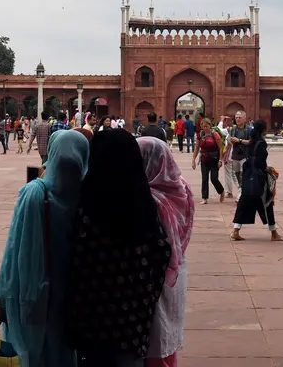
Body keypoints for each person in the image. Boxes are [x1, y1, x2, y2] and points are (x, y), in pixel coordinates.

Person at [66, 129, 171, 367]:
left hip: (91, 321)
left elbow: (75, 261)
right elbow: (162, 253)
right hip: (131, 321)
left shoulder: (87, 203)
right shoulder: (144, 202)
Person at [0, 130, 89, 367]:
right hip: (71, 294)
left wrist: (4, 296)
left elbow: (15, 249)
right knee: (63, 351)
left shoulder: (34, 192)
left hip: (34, 292)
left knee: (33, 353)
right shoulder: (89, 197)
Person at [137, 137, 195, 367]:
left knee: (154, 331)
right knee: (167, 328)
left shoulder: (147, 198)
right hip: (176, 266)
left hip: (153, 273)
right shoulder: (181, 186)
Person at [230, 120, 283, 242]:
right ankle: (274, 233)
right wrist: (267, 169)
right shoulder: (261, 143)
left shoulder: (251, 142)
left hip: (248, 175)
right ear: (263, 130)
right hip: (257, 177)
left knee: (244, 202)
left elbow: (251, 159)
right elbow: (259, 161)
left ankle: (236, 230)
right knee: (267, 202)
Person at [192, 118, 225, 204]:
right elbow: (196, 147)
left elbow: (221, 147)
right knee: (204, 179)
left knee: (214, 178)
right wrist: (193, 160)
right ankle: (205, 198)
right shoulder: (201, 134)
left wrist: (220, 160)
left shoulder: (215, 134)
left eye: (206, 126)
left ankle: (221, 191)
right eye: (203, 126)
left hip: (214, 159)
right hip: (204, 159)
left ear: (210, 125)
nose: (205, 128)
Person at [227, 111, 251, 202]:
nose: (237, 119)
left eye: (240, 117)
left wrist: (239, 140)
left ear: (244, 118)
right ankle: (241, 190)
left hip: (245, 155)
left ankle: (241, 192)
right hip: (236, 155)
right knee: (237, 174)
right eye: (236, 117)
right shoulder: (233, 129)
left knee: (243, 173)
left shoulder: (249, 129)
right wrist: (230, 140)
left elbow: (251, 142)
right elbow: (230, 141)